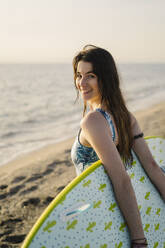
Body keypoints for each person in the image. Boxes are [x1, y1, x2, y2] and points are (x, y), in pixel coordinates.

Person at [71, 44, 165, 248]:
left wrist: (139, 240)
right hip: (114, 213)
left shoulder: (93, 121)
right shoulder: (126, 118)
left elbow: (121, 179)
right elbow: (153, 167)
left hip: (96, 214)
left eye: (91, 76)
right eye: (79, 75)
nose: (82, 82)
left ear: (106, 78)